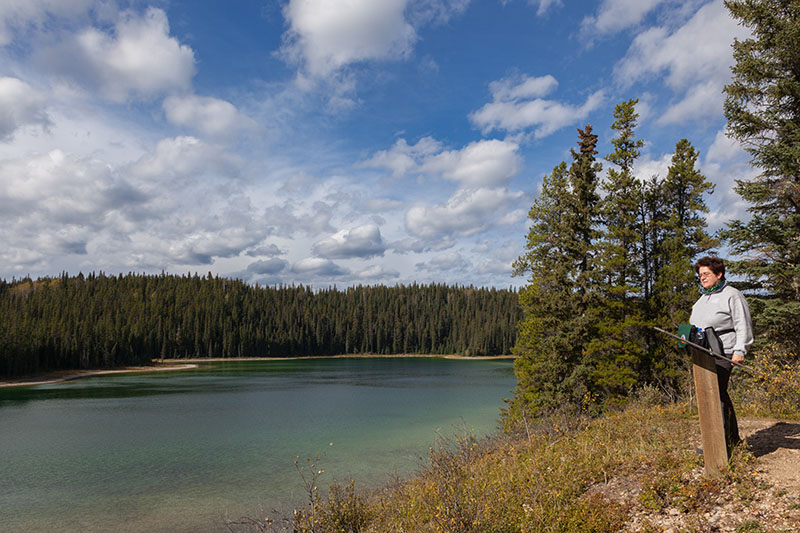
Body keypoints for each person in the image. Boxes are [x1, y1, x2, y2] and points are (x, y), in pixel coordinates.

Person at [689, 256, 754, 455]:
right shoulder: (701, 299)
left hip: (724, 352)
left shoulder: (732, 295)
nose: (702, 278)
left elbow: (743, 324)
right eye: (700, 275)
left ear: (719, 274)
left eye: (706, 274)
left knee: (715, 393)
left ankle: (720, 444)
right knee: (717, 394)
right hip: (703, 354)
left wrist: (739, 350)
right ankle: (730, 439)